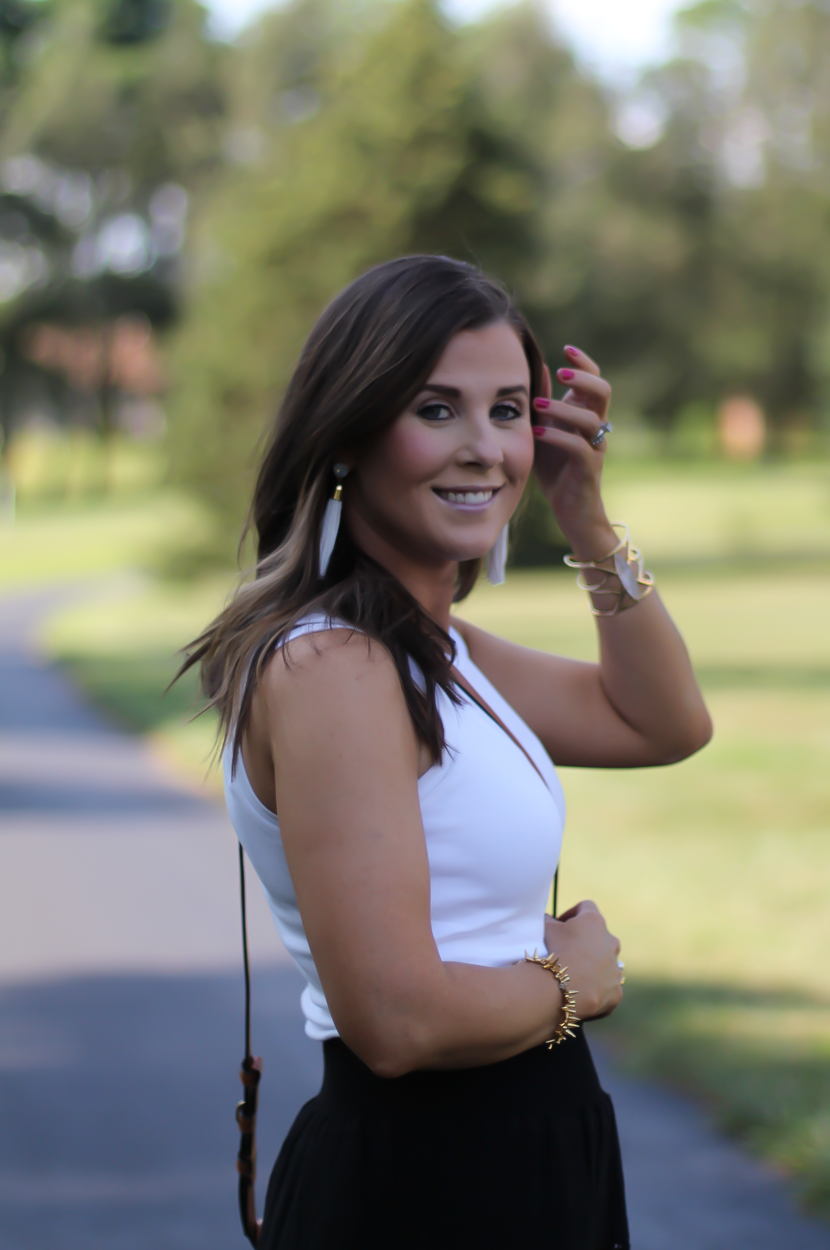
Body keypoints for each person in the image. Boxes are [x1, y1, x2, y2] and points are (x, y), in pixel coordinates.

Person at [183, 254, 712, 1250]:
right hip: (432, 1181)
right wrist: (575, 983)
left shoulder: (438, 650)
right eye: (436, 409)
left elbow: (663, 721)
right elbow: (393, 1019)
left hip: (528, 1152)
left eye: (507, 410)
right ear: (348, 431)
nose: (483, 448)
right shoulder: (334, 664)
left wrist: (587, 516)